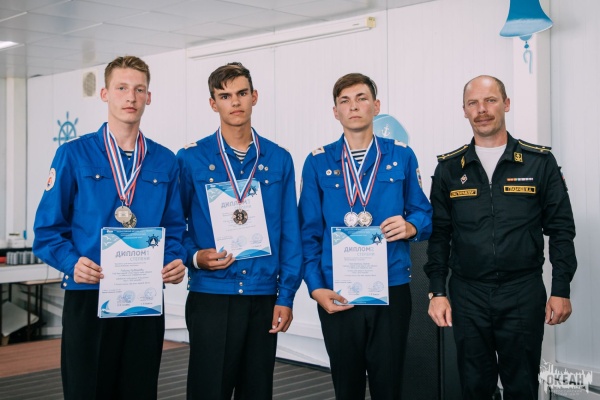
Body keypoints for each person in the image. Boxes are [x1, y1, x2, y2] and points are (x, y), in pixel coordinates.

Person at [32, 55, 187, 400]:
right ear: (104, 94)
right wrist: (72, 263)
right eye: (121, 88)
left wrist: (174, 260)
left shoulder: (164, 160)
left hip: (144, 298)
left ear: (149, 97)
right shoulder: (73, 155)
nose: (131, 97)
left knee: (139, 390)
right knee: (87, 390)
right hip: (90, 294)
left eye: (139, 89)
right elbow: (46, 231)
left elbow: (175, 228)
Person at [424, 75, 577, 399]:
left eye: (490, 100)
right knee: (474, 386)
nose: (482, 109)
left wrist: (561, 289)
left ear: (506, 104)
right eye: (473, 103)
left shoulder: (539, 162)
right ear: (464, 110)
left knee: (522, 386)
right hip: (468, 294)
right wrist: (437, 291)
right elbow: (439, 235)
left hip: (522, 292)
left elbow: (561, 230)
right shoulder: (450, 169)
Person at [299, 73, 432, 399]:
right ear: (336, 112)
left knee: (389, 385)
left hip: (390, 288)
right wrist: (315, 288)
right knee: (347, 386)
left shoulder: (402, 155)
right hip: (337, 292)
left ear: (376, 105)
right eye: (345, 101)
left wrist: (411, 227)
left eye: (361, 98)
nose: (354, 106)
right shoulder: (317, 162)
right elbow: (308, 233)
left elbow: (424, 213)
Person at [177, 62, 303, 399]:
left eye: (242, 93)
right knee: (208, 391)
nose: (235, 102)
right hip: (212, 294)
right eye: (225, 96)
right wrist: (194, 257)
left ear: (254, 97)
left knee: (257, 391)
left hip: (263, 296)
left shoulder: (279, 159)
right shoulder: (190, 159)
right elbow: (174, 226)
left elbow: (290, 232)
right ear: (213, 103)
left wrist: (286, 295)